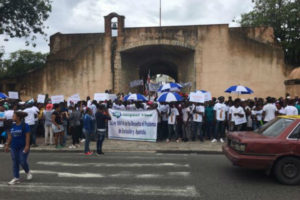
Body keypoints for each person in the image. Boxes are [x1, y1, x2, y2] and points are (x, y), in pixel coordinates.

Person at [5, 111, 32, 185]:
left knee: (22, 161)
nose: (12, 117)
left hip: (23, 146)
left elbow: (27, 136)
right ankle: (16, 177)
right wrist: (7, 145)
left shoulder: (25, 125)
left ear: (18, 117)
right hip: (14, 147)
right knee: (15, 162)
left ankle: (28, 172)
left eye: (14, 116)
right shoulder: (12, 126)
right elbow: (10, 137)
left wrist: (27, 146)